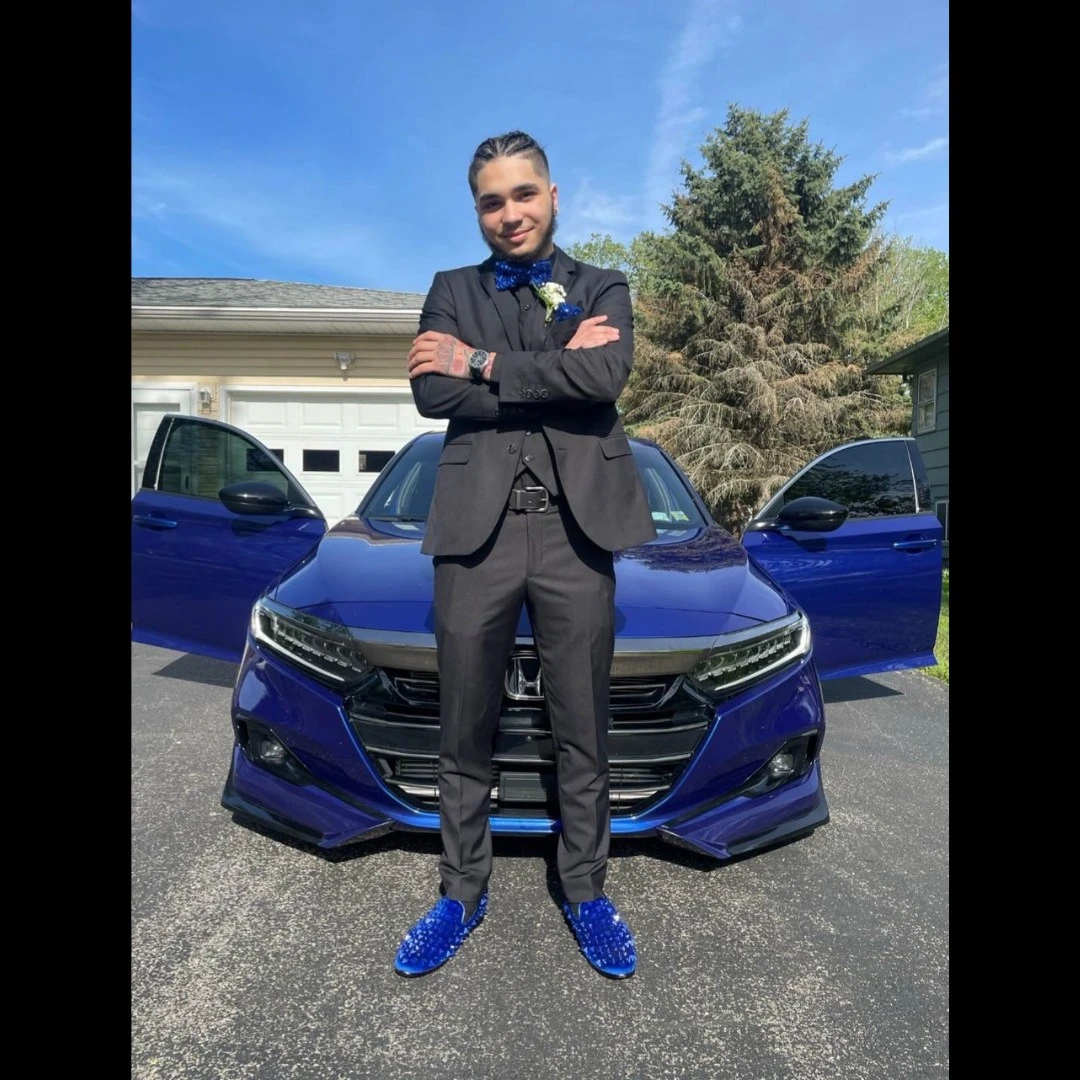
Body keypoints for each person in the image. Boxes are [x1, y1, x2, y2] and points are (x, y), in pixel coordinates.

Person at [396, 131, 656, 979]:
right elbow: (432, 391)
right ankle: (459, 893)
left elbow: (605, 377)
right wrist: (548, 364)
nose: (509, 214)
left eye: (523, 194)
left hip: (577, 531)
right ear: (477, 208)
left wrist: (481, 361)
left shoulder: (602, 284)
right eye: (491, 200)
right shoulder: (448, 288)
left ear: (553, 194)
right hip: (476, 532)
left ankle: (585, 891)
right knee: (463, 724)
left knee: (583, 725)